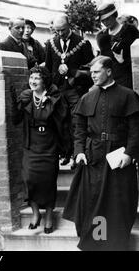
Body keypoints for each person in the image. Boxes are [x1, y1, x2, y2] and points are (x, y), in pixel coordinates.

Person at [62, 56, 139, 251]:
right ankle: (94, 245)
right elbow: (79, 130)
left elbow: (136, 130)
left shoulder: (128, 96)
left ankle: (115, 245)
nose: (92, 76)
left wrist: (130, 154)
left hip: (118, 158)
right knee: (91, 201)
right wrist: (79, 152)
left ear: (109, 71)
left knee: (118, 203)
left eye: (96, 72)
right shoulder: (87, 98)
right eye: (91, 73)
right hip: (93, 159)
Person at [12, 66, 71, 234]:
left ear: (44, 80)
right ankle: (36, 213)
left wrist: (66, 148)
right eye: (31, 78)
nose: (33, 81)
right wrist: (15, 104)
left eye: (37, 78)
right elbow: (15, 119)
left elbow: (63, 122)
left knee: (48, 181)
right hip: (32, 145)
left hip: (49, 144)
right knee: (29, 179)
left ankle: (49, 216)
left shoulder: (55, 97)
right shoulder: (26, 97)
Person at [45, 14, 94, 166]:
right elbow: (47, 68)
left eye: (63, 30)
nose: (60, 33)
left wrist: (71, 71)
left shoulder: (82, 43)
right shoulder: (50, 43)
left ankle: (76, 153)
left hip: (76, 89)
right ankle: (64, 153)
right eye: (57, 30)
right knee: (60, 122)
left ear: (70, 26)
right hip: (58, 89)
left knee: (76, 121)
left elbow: (90, 68)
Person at [96, 3, 139, 89]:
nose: (105, 22)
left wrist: (123, 61)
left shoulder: (129, 31)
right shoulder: (101, 37)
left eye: (108, 19)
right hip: (109, 80)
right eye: (103, 20)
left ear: (115, 15)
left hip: (126, 78)